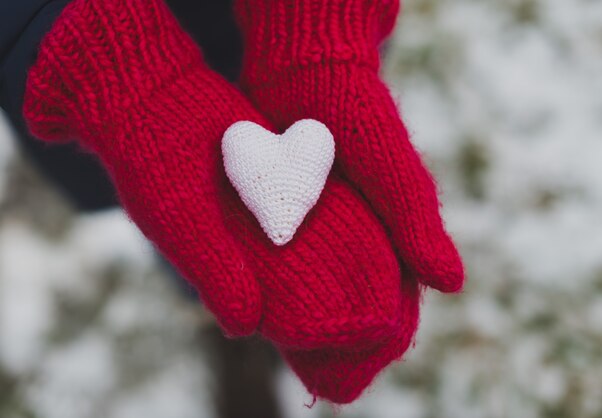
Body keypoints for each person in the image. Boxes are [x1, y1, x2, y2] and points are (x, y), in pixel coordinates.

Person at [0, 0, 465, 404]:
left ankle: (228, 311)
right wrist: (100, 56)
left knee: (195, 209)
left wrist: (316, 23)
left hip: (264, 22)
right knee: (180, 207)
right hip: (88, 46)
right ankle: (206, 306)